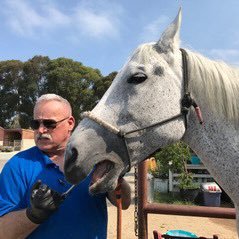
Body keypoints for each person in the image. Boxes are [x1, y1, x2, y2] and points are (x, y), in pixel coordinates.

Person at [0, 94, 131, 239]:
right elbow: (4, 233)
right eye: (36, 124)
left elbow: (123, 203)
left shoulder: (95, 159)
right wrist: (33, 215)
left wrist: (116, 177)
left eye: (49, 124)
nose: (41, 130)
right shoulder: (17, 166)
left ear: (70, 123)